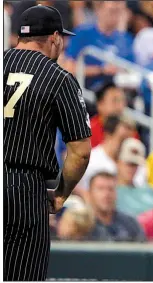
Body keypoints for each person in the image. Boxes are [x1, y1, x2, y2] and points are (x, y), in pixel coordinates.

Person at [3, 5, 92, 281]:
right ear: (54, 38)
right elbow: (80, 152)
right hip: (23, 188)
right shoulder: (59, 78)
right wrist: (62, 193)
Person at [62, 1, 135, 90]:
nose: (116, 16)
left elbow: (133, 71)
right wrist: (101, 70)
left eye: (119, 11)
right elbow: (68, 68)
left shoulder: (126, 39)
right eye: (112, 11)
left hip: (118, 92)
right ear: (99, 10)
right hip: (86, 92)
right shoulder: (83, 33)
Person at [87, 172, 146, 242]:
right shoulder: (82, 224)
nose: (106, 194)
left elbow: (142, 249)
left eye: (111, 189)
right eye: (100, 189)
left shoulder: (130, 223)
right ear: (90, 193)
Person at [116, 138, 153, 217]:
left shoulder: (148, 191)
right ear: (118, 162)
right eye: (128, 163)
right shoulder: (109, 191)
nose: (131, 169)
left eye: (135, 165)